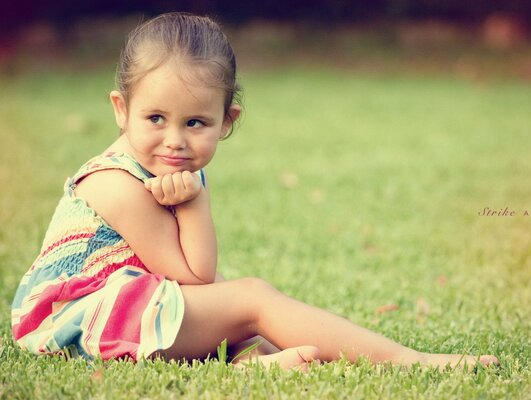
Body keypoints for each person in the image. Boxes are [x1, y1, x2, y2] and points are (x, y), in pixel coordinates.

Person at [11, 12, 498, 371]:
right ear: (122, 109)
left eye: (195, 122)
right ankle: (409, 360)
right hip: (81, 323)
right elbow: (195, 277)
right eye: (155, 118)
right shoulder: (113, 184)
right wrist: (196, 202)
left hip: (133, 310)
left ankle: (256, 363)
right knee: (253, 299)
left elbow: (192, 285)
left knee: (243, 308)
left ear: (227, 121)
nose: (175, 139)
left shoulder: (163, 165)